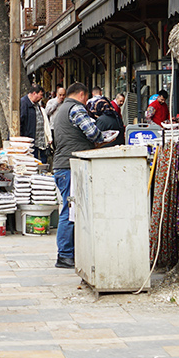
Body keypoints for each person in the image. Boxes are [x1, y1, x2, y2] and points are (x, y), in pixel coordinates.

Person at [48, 82, 117, 270]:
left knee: (70, 210)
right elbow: (93, 132)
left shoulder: (62, 109)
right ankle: (65, 255)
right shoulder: (76, 108)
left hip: (63, 165)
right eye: (86, 99)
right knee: (69, 211)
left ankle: (69, 252)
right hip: (70, 166)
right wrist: (105, 138)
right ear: (81, 95)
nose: (86, 102)